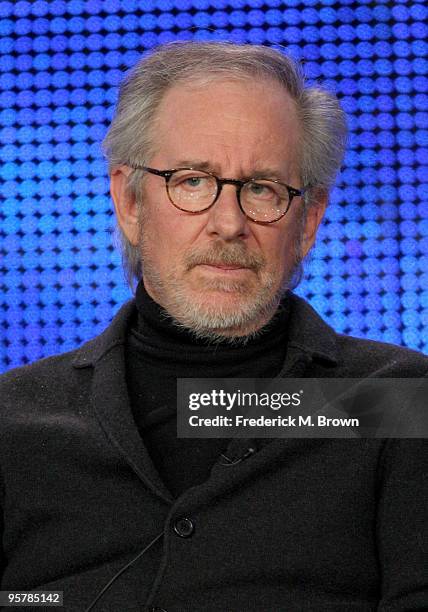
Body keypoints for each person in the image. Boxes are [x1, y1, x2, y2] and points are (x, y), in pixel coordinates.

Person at [0, 41, 427, 612]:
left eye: (262, 188)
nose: (229, 224)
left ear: (308, 221)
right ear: (129, 202)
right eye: (193, 181)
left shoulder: (394, 402)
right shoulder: (13, 422)